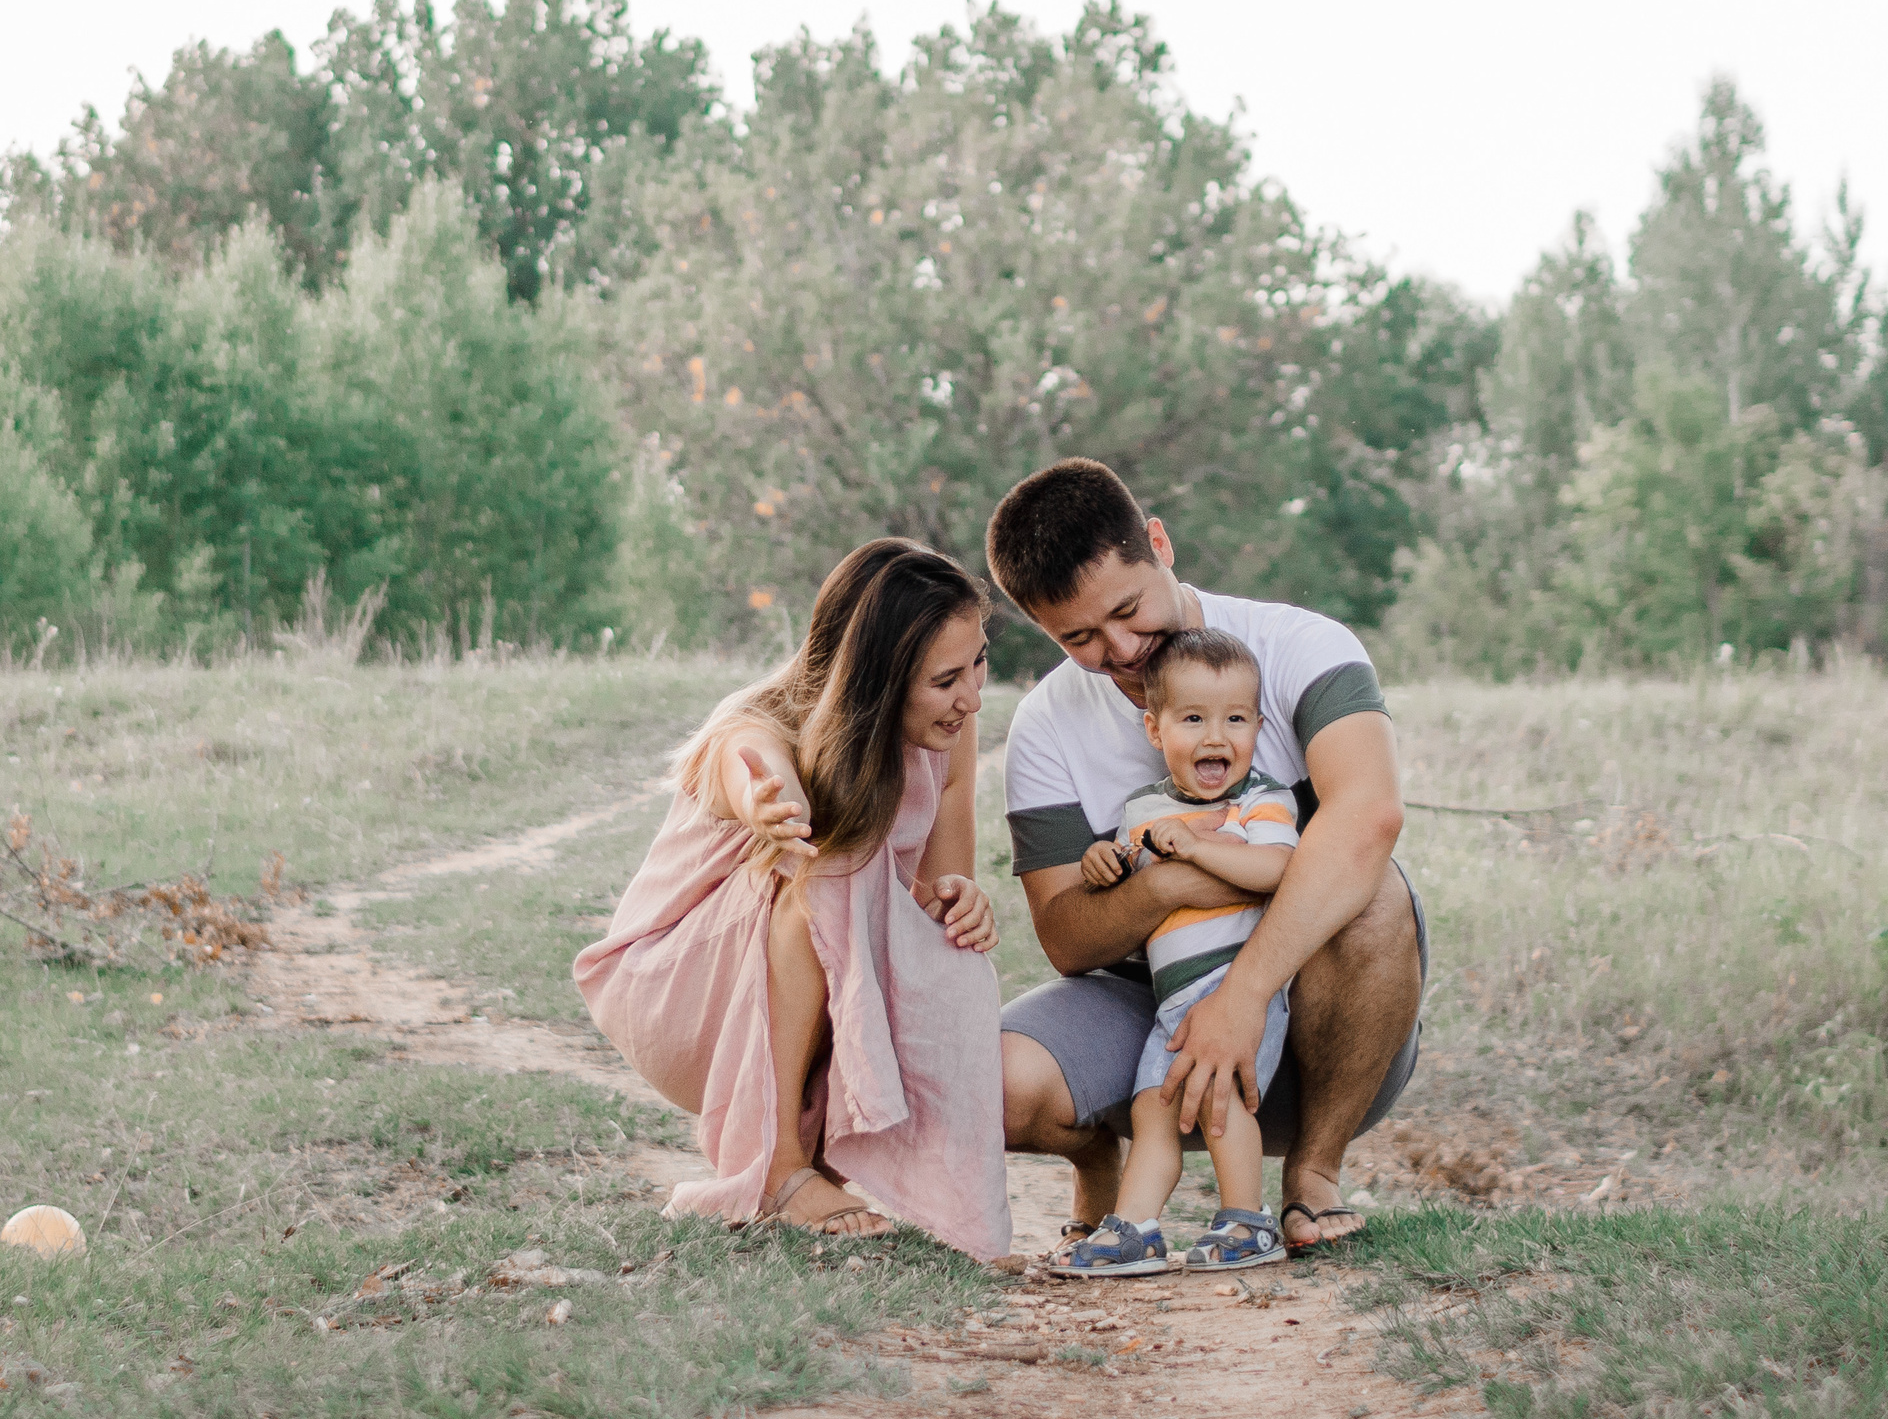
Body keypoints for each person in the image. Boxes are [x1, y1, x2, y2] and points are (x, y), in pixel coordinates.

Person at [986, 457, 1426, 1259]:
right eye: (1078, 636)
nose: (1120, 649)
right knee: (990, 1087)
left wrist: (1244, 995)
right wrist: (1180, 878)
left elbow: (1369, 816)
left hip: (1321, 1029)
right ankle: (1100, 1163)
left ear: (1160, 542)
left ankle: (1313, 1176)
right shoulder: (1045, 726)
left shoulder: (1302, 645)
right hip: (1148, 1017)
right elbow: (1068, 937)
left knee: (1377, 891)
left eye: (1127, 609)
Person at [573, 539, 1011, 1261]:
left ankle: (866, 1174)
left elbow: (934, 898)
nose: (972, 695)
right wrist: (770, 800)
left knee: (936, 947)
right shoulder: (757, 720)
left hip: (800, 981)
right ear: (875, 682)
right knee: (832, 866)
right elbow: (752, 764)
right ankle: (777, 1167)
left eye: (979, 661)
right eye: (945, 680)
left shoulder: (950, 737)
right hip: (678, 995)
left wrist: (965, 901)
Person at [1060, 629, 1300, 1276]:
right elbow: (1131, 876)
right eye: (1193, 718)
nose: (1216, 736)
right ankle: (1136, 1227)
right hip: (1172, 1002)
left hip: (1238, 989)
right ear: (1155, 728)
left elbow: (1279, 868)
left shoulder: (1259, 800)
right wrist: (1102, 863)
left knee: (1222, 1103)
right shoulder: (1142, 809)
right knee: (1151, 1109)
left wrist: (1194, 846)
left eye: (1236, 719)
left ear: (1257, 726)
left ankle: (1247, 1219)